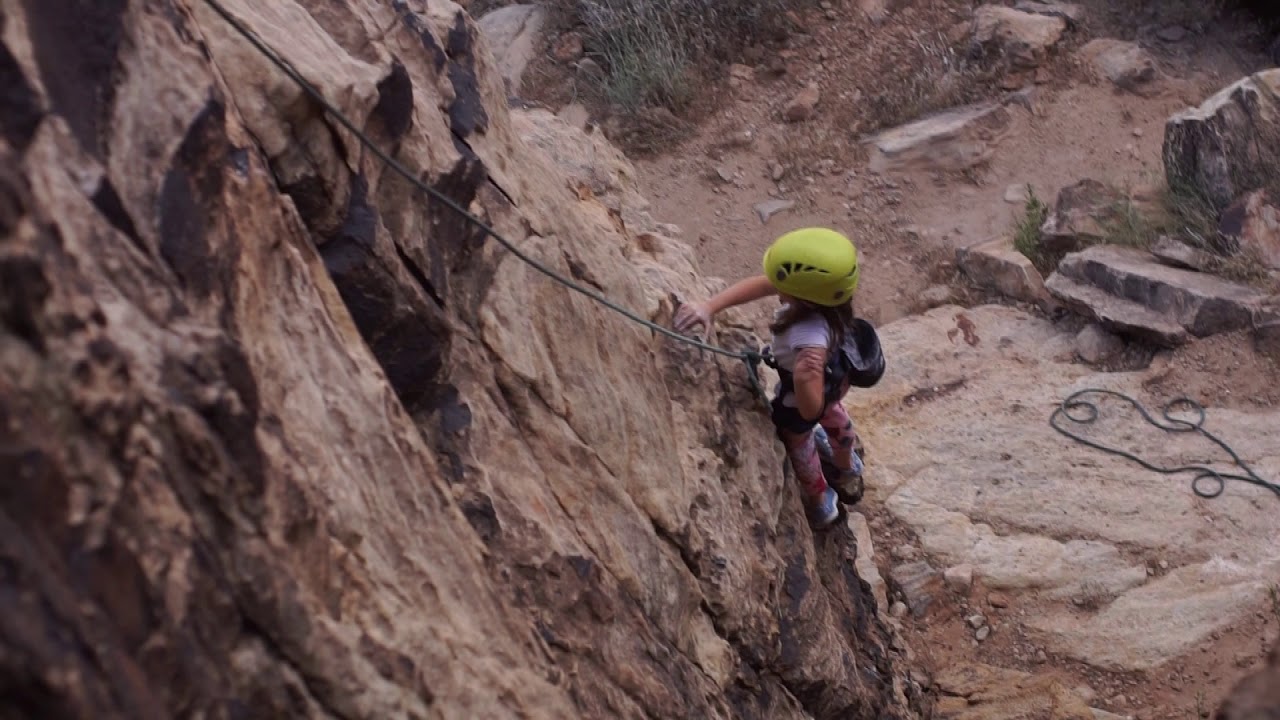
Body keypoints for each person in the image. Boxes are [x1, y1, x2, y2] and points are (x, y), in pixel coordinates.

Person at [673, 227, 882, 529]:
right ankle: (846, 466)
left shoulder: (808, 336)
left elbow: (809, 411)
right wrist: (709, 307)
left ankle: (820, 500)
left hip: (804, 397)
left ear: (806, 298)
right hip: (833, 383)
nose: (775, 289)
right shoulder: (828, 306)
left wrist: (803, 377)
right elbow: (762, 284)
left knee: (800, 442)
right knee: (837, 419)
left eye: (783, 286)